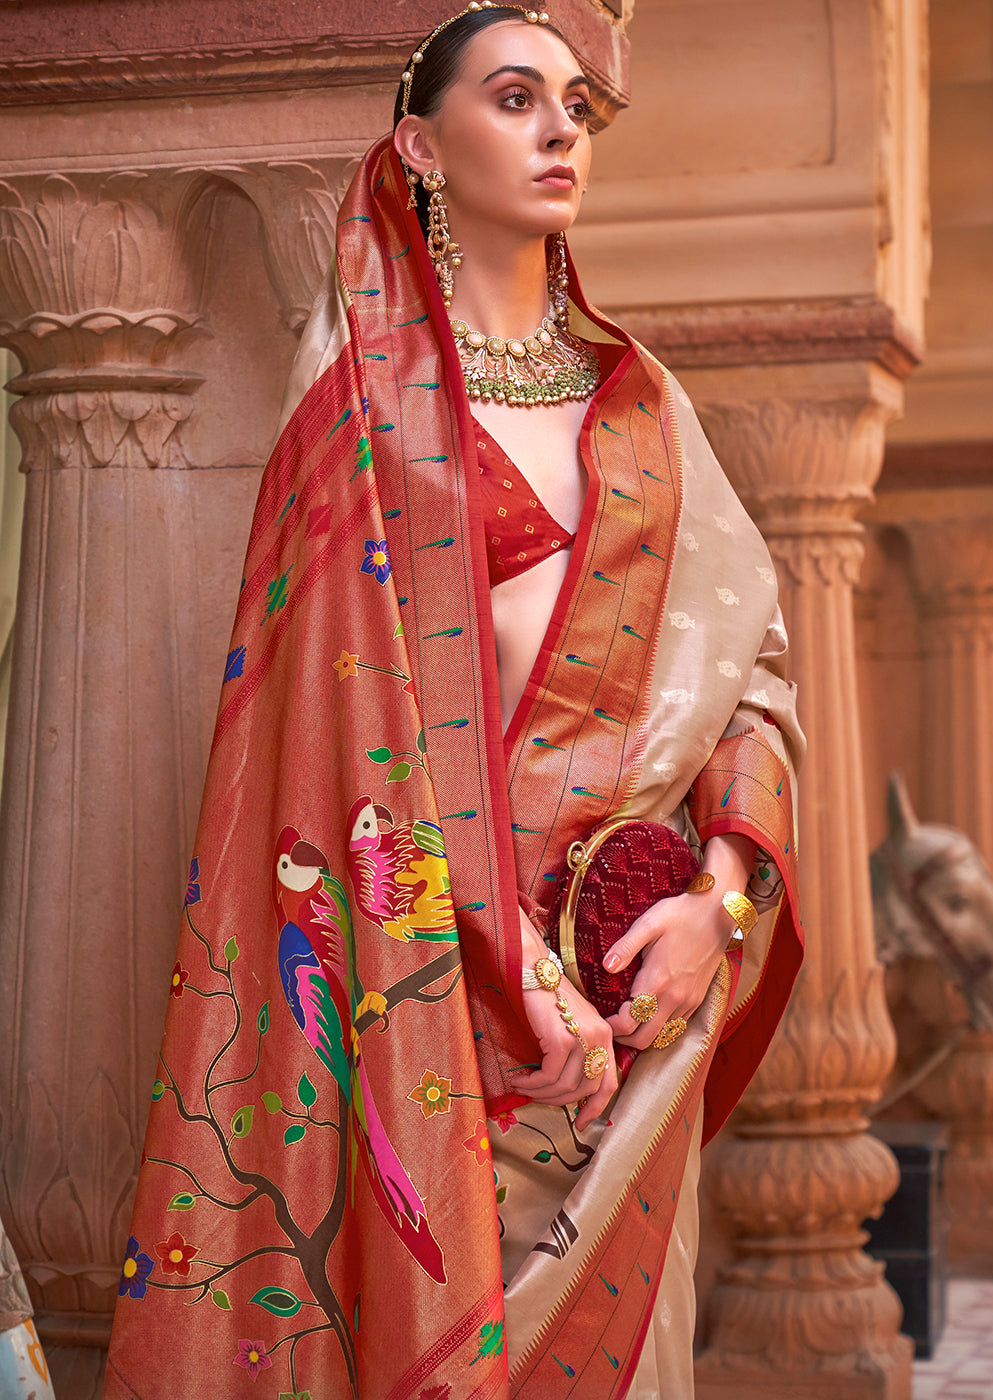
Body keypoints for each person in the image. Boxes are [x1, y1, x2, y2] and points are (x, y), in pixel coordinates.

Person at [103, 6, 803, 1398]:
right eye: (514, 98)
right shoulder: (357, 415)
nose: (559, 130)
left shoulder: (646, 411)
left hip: (634, 996)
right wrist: (503, 960)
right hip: (425, 998)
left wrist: (717, 899)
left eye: (576, 107)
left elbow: (754, 690)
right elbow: (330, 747)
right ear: (421, 145)